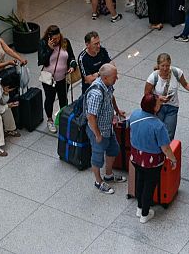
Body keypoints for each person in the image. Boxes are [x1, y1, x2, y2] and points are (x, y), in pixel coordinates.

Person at [129, 93, 177, 223]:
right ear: (154, 108)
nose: (160, 104)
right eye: (158, 103)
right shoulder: (158, 126)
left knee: (140, 180)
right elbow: (165, 148)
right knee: (149, 186)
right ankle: (145, 213)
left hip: (136, 157)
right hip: (152, 162)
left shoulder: (134, 115)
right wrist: (173, 159)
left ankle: (139, 207)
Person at [85, 64, 127, 194]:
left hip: (108, 128)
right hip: (99, 131)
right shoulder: (96, 93)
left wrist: (117, 110)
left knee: (114, 149)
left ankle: (108, 175)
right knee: (97, 157)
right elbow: (91, 117)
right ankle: (98, 181)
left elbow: (111, 97)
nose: (117, 78)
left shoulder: (107, 86)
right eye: (115, 76)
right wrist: (97, 134)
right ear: (105, 77)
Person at [143, 53, 189, 140]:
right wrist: (159, 98)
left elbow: (185, 84)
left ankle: (167, 150)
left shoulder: (176, 72)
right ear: (158, 65)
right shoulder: (153, 77)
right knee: (157, 131)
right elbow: (147, 94)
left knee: (169, 134)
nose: (165, 68)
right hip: (159, 107)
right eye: (162, 66)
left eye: (167, 65)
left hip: (172, 107)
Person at [38, 25, 77, 133]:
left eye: (58, 37)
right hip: (49, 79)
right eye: (54, 39)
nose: (57, 40)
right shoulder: (43, 43)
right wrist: (50, 49)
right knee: (50, 99)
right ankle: (50, 120)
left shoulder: (65, 42)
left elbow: (71, 57)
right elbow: (42, 61)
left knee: (63, 99)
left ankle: (63, 118)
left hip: (63, 78)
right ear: (49, 37)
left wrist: (73, 65)